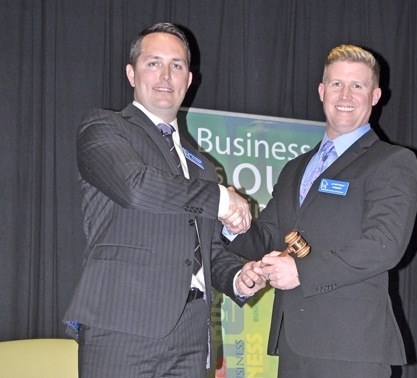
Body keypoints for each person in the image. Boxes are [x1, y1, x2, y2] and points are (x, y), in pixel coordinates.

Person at [64, 23, 266, 377]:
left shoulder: (201, 166)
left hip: (190, 333)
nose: (166, 75)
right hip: (123, 325)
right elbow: (135, 186)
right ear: (131, 73)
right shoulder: (103, 128)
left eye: (177, 66)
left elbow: (206, 249)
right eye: (153, 63)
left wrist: (236, 276)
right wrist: (221, 198)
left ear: (189, 80)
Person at [225, 45, 417, 377]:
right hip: (292, 343)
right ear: (321, 91)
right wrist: (232, 222)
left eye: (357, 86)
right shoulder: (294, 169)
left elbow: (383, 246)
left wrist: (302, 272)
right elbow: (269, 237)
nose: (345, 94)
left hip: (352, 346)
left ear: (375, 96)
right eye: (336, 84)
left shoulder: (392, 161)